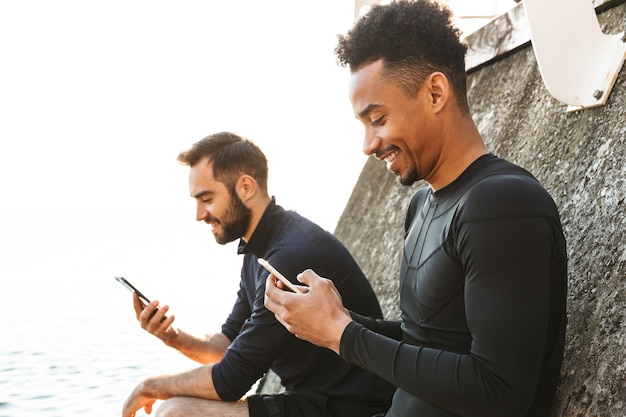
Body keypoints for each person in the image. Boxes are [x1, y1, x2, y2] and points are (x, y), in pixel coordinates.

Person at [264, 1, 568, 417]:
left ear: (435, 92)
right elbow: (423, 344)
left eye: (378, 118)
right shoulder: (423, 204)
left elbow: (500, 392)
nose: (369, 144)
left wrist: (343, 334)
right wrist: (333, 319)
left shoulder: (503, 205)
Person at [121, 132, 394, 417]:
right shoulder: (260, 249)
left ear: (246, 187)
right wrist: (172, 336)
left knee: (177, 412)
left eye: (207, 198)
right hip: (314, 400)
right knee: (176, 407)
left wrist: (149, 386)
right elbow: (227, 346)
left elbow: (231, 381)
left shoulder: (291, 256)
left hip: (352, 408)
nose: (199, 214)